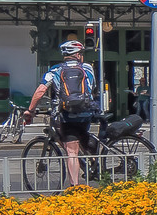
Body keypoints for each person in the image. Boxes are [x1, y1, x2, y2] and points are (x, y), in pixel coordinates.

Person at [23, 41, 101, 187]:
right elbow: (92, 88)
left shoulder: (55, 70)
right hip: (85, 114)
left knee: (71, 151)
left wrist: (31, 110)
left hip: (66, 116)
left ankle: (75, 187)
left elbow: (40, 91)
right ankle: (94, 164)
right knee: (83, 136)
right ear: (78, 55)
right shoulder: (88, 68)